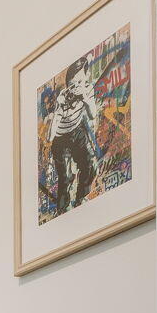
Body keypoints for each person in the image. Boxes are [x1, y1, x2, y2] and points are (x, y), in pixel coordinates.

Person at [48, 57, 100, 214]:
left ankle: (81, 198)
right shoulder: (63, 97)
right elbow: (56, 120)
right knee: (66, 176)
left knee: (90, 165)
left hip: (77, 132)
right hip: (61, 138)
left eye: (79, 82)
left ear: (86, 75)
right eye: (72, 85)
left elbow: (92, 115)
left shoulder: (88, 89)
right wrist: (50, 138)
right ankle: (63, 209)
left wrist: (84, 97)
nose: (76, 87)